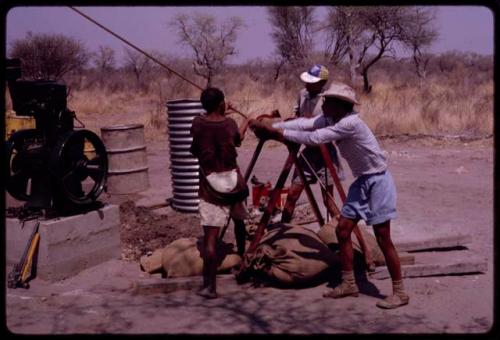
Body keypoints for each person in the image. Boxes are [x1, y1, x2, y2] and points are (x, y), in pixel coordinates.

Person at [249, 82, 409, 309]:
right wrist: (275, 124)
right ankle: (349, 283)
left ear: (340, 105)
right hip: (362, 181)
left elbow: (315, 138)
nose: (322, 104)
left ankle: (400, 292)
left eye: (327, 101)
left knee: (383, 238)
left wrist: (276, 132)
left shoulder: (350, 124)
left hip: (378, 182)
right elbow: (306, 124)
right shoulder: (332, 118)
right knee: (343, 230)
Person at [190, 87, 249, 299]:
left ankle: (210, 287)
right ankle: (244, 258)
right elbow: (237, 139)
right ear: (220, 104)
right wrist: (247, 122)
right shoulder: (230, 124)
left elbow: (195, 148)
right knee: (239, 222)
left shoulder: (197, 123)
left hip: (211, 187)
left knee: (210, 240)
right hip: (233, 183)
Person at [281, 64, 344, 224]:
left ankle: (340, 235)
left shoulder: (328, 100)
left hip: (325, 152)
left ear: (322, 83)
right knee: (292, 195)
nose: (307, 85)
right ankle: (283, 230)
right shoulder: (302, 94)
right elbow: (297, 113)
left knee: (328, 201)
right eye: (307, 81)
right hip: (308, 151)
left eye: (312, 82)